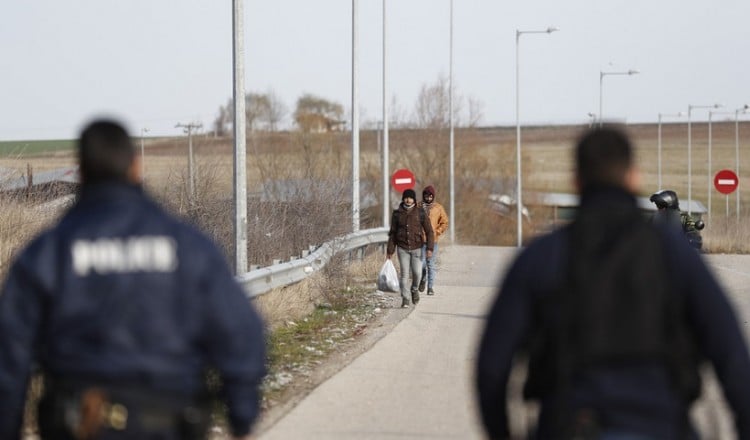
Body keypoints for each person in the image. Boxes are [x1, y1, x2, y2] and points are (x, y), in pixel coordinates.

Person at [476, 127, 750, 439]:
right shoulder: (674, 254)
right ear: (633, 177)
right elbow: (732, 356)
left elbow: (492, 367)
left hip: (566, 425)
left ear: (576, 181)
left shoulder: (541, 256)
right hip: (662, 426)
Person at [0, 119, 266, 440]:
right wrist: (242, 415)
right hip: (170, 423)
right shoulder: (188, 246)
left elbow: (9, 354)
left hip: (79, 422)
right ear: (136, 167)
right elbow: (240, 331)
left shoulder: (48, 252)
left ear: (81, 172)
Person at [386, 188, 434, 308]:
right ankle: (405, 299)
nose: (408, 200)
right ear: (403, 199)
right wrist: (390, 250)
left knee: (417, 273)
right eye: (406, 198)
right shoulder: (397, 214)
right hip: (402, 248)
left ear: (414, 199)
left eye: (410, 198)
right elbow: (392, 233)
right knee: (404, 275)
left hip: (417, 247)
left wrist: (429, 248)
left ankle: (414, 289)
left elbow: (429, 231)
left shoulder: (420, 212)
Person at [417, 185, 449, 295]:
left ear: (433, 196)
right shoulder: (418, 206)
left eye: (430, 196)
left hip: (433, 241)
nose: (428, 198)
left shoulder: (438, 208)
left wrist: (437, 231)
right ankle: (423, 279)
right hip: (420, 241)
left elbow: (444, 222)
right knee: (422, 264)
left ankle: (430, 288)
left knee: (431, 264)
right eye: (426, 196)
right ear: (424, 196)